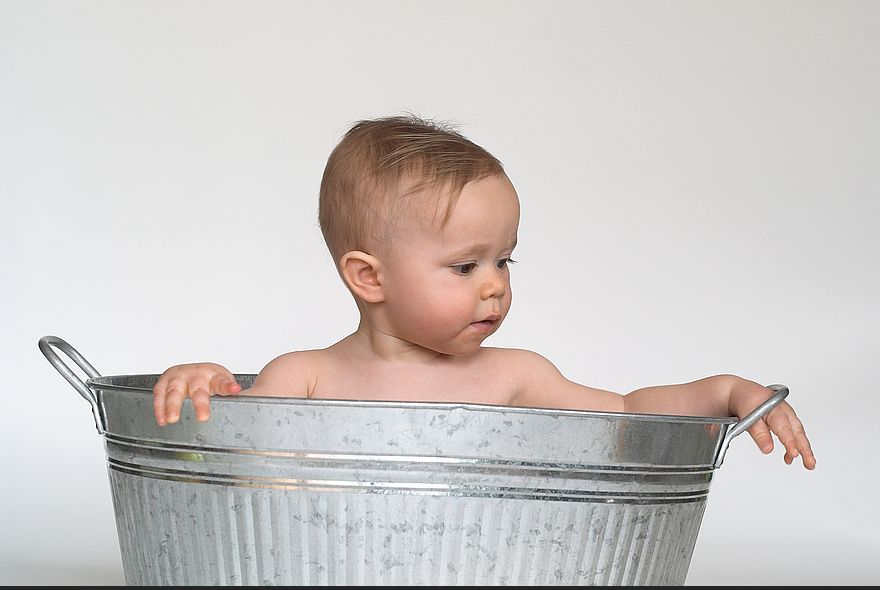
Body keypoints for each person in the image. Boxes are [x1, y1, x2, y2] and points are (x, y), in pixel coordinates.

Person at [152, 115, 815, 469]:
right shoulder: (305, 378)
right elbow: (224, 468)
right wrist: (205, 386)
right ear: (369, 277)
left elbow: (628, 414)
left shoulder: (512, 378)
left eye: (504, 259)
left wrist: (726, 393)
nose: (496, 284)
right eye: (465, 267)